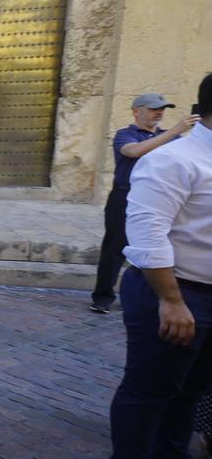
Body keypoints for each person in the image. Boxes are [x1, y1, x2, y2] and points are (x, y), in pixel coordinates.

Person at [106, 74, 212, 459]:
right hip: (175, 291)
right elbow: (147, 235)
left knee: (189, 390)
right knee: (148, 390)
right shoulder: (173, 159)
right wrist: (171, 300)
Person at [91, 94, 199, 314]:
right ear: (136, 111)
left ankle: (150, 295)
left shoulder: (171, 138)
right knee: (115, 248)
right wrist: (174, 131)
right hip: (125, 196)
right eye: (153, 109)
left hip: (158, 198)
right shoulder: (126, 134)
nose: (158, 113)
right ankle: (102, 297)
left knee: (155, 246)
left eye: (161, 109)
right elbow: (134, 151)